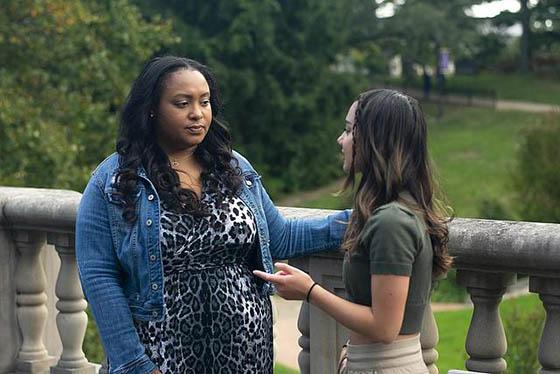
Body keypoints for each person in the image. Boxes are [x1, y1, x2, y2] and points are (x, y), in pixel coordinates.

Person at [75, 55, 350, 374]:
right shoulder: (115, 179)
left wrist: (357, 220)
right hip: (162, 354)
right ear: (152, 108)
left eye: (204, 102)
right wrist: (134, 363)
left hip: (246, 348)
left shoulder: (234, 168)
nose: (197, 114)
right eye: (182, 103)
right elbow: (98, 275)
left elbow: (280, 237)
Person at [254, 89, 452, 374]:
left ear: (374, 141)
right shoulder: (394, 213)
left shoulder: (391, 222)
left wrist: (309, 291)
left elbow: (384, 327)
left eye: (348, 131)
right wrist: (354, 352)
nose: (341, 140)